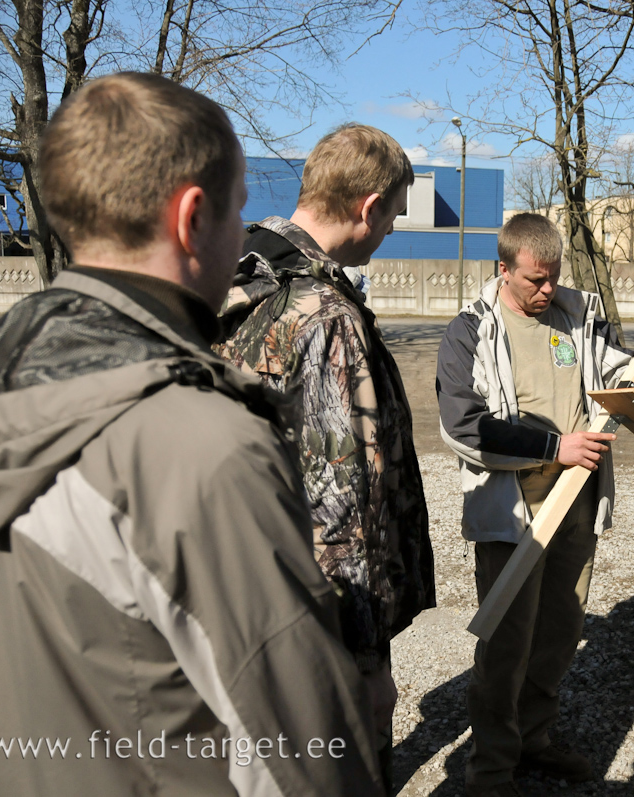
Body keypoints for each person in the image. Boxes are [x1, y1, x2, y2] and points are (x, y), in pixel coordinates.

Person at [0, 73, 380, 795]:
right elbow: (304, 751)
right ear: (192, 217)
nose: (243, 235)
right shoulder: (199, 442)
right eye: (238, 210)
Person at [217, 123, 436, 789]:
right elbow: (345, 502)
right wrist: (367, 662)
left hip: (244, 591)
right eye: (395, 213)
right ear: (368, 207)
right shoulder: (326, 314)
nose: (393, 227)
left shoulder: (240, 274)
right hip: (322, 619)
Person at [436, 213, 632, 797]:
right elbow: (463, 428)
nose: (546, 291)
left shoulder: (577, 313)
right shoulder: (470, 329)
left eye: (553, 279)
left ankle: (534, 742)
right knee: (507, 639)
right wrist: (554, 446)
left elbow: (614, 368)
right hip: (514, 504)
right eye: (534, 281)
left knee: (560, 627)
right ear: (504, 268)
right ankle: (492, 769)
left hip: (577, 495)